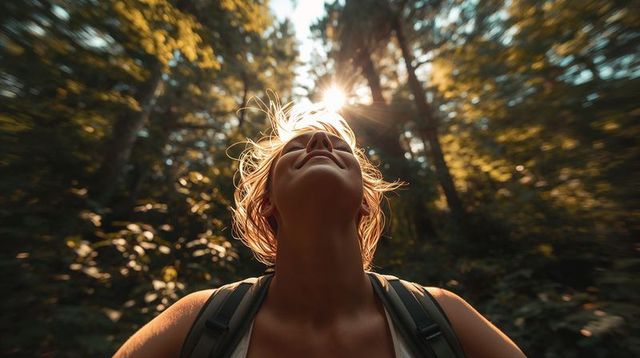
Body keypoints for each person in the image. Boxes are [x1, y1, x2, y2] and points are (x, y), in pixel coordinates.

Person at [114, 102, 525, 357]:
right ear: (267, 202)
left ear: (365, 202)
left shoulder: (440, 316)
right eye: (296, 148)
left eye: (339, 147)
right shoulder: (199, 321)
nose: (319, 144)